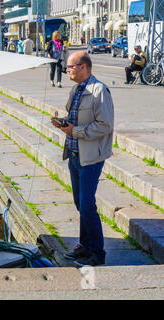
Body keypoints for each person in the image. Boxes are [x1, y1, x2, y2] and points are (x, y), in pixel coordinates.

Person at [51, 51, 114, 267]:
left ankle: (97, 252)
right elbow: (75, 118)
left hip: (91, 158)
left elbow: (105, 125)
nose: (66, 70)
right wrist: (63, 122)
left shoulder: (99, 91)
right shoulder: (75, 89)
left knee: (87, 205)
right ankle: (84, 245)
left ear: (83, 67)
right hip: (74, 155)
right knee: (80, 203)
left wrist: (74, 131)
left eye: (70, 67)